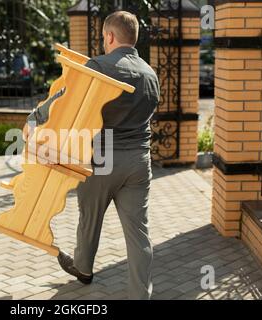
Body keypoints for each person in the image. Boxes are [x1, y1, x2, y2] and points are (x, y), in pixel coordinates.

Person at [23, 11, 160, 300]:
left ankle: (83, 269)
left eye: (103, 38)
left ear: (110, 36)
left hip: (102, 157)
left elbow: (65, 97)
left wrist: (35, 118)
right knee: (138, 233)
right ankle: (140, 294)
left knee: (90, 217)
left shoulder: (99, 66)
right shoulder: (151, 74)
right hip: (139, 161)